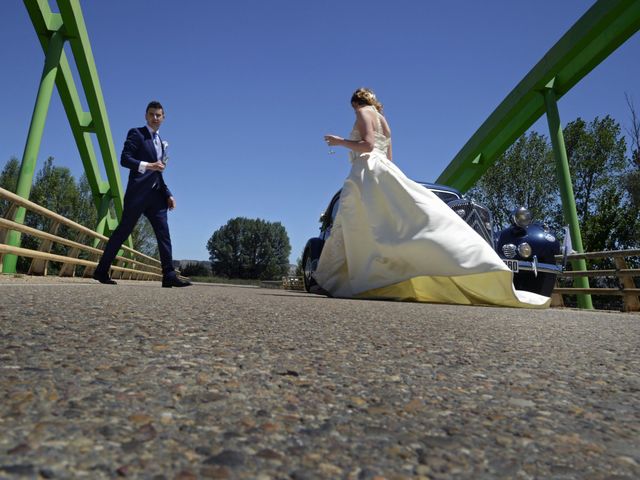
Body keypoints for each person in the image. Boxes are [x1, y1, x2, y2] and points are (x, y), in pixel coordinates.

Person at [316, 88, 549, 307]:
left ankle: (358, 276)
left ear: (356, 102)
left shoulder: (362, 112)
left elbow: (366, 144)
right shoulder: (384, 121)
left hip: (366, 169)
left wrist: (339, 142)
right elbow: (388, 155)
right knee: (391, 224)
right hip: (383, 167)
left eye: (354, 106)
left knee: (361, 224)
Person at [92, 101, 191, 288]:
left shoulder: (161, 143)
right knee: (123, 232)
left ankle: (168, 275)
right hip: (137, 194)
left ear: (163, 118)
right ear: (146, 116)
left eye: (158, 115)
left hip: (156, 196)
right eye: (152, 114)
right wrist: (149, 165)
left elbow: (159, 173)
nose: (155, 118)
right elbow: (125, 159)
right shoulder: (136, 134)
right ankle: (101, 271)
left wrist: (168, 194)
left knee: (164, 234)